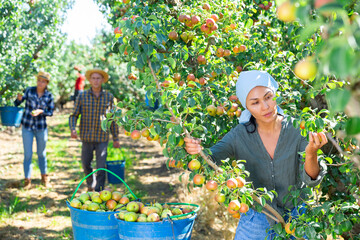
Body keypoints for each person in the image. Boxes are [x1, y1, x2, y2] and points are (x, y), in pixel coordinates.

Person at [184, 70, 328, 239]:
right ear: (247, 107)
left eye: (268, 97)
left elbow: (311, 180)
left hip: (298, 218)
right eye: (255, 103)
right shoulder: (239, 135)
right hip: (256, 219)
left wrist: (311, 153)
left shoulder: (298, 129)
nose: (265, 107)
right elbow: (210, 158)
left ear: (276, 95)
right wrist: (196, 150)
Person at [69, 69, 120, 192]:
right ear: (90, 80)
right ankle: (91, 184)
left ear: (102, 80)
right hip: (86, 137)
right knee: (86, 164)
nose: (96, 81)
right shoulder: (82, 96)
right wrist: (73, 129)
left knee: (101, 167)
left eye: (98, 78)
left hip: (102, 137)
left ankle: (99, 191)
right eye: (93, 78)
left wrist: (116, 138)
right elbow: (74, 115)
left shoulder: (109, 97)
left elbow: (112, 119)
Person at [14, 71, 54, 189]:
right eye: (39, 80)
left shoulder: (49, 95)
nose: (40, 83)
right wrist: (18, 99)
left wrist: (41, 111)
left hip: (41, 128)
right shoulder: (29, 90)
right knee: (28, 154)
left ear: (46, 83)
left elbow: (50, 112)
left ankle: (44, 178)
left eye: (43, 81)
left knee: (41, 153)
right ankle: (27, 180)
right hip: (27, 126)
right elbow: (17, 103)